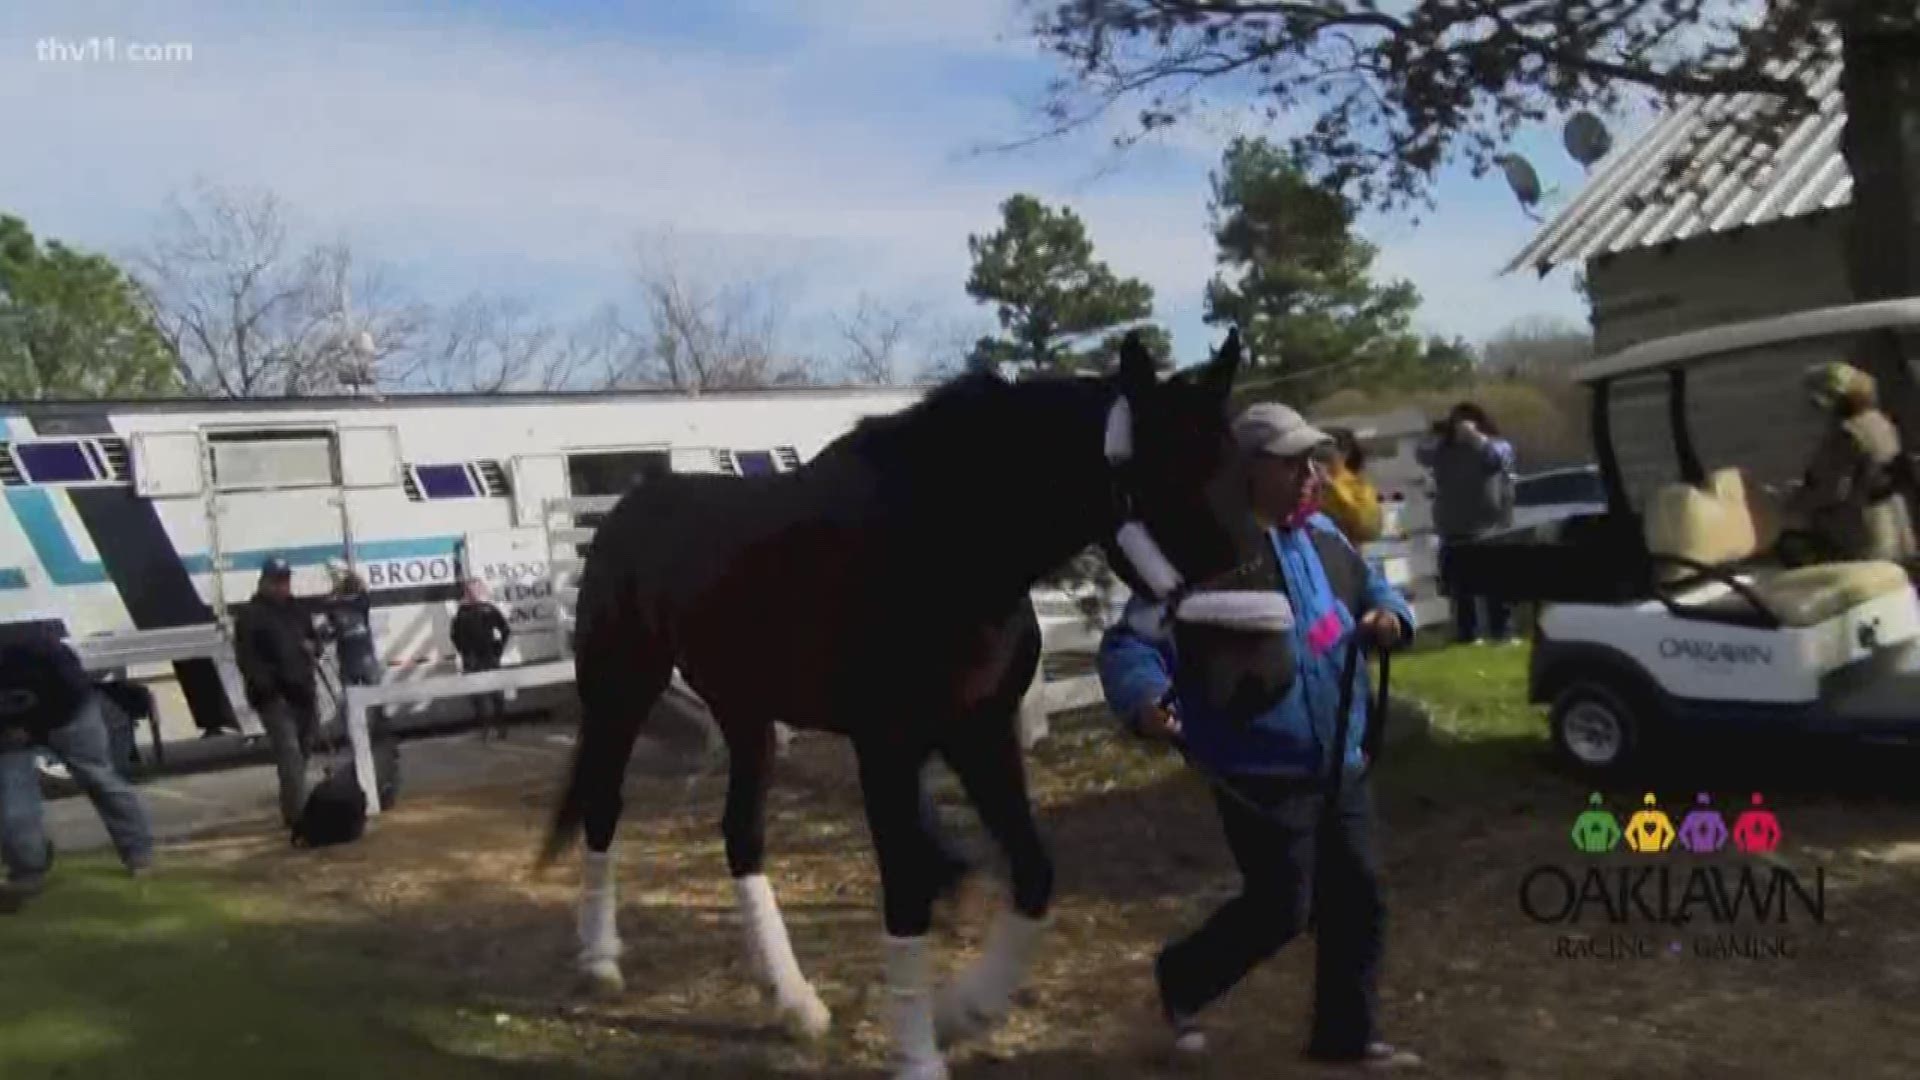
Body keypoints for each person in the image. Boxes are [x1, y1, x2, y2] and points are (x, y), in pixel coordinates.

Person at [1096, 401, 1421, 1070]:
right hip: (1257, 767)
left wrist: (1390, 618)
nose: (1313, 474)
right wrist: (1144, 697)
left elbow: (1377, 591)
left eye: (1314, 460)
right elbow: (1132, 642)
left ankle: (1345, 1041)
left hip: (1342, 755)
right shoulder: (1207, 555)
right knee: (1282, 906)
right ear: (1248, 472)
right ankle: (1180, 981)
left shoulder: (1328, 540)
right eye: (1295, 462)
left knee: (1359, 898)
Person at [1, 629, 154, 912]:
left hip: (70, 716)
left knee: (99, 779)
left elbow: (73, 689)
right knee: (12, 804)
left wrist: (32, 727)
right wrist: (11, 729)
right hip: (9, 731)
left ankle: (138, 853)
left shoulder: (34, 646)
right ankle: (27, 871)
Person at [1785, 360, 1918, 564]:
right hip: (1897, 526)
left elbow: (1832, 490)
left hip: (1861, 533)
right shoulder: (1881, 422)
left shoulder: (1846, 434)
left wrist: (1793, 502)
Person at [1417, 402, 1519, 645]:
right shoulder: (1443, 450)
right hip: (1453, 527)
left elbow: (1499, 460)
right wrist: (1436, 433)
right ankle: (1467, 634)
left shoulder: (1494, 445)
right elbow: (1422, 454)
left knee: (1497, 584)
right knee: (1461, 587)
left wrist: (1477, 439)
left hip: (1489, 527)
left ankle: (1502, 632)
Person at [233, 557, 322, 829]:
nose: (283, 586)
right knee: (290, 755)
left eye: (286, 580)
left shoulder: (297, 609)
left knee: (303, 753)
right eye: (277, 581)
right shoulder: (250, 615)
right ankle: (300, 818)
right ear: (264, 582)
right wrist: (267, 689)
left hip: (304, 692)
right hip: (275, 698)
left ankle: (292, 806)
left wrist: (313, 647)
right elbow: (247, 658)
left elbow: (315, 642)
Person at [450, 578, 512, 739]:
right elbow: (454, 635)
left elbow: (505, 629)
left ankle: (501, 727)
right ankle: (484, 729)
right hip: (471, 658)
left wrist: (499, 648)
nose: (473, 594)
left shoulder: (489, 609)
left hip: (489, 655)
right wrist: (463, 651)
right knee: (477, 695)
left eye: (476, 590)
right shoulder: (462, 612)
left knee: (496, 693)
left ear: (482, 591)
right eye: (469, 591)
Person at [1319, 426, 1385, 547]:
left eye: (1325, 449)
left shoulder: (1358, 486)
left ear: (1345, 453)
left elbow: (1368, 529)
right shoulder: (1306, 480)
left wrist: (1332, 487)